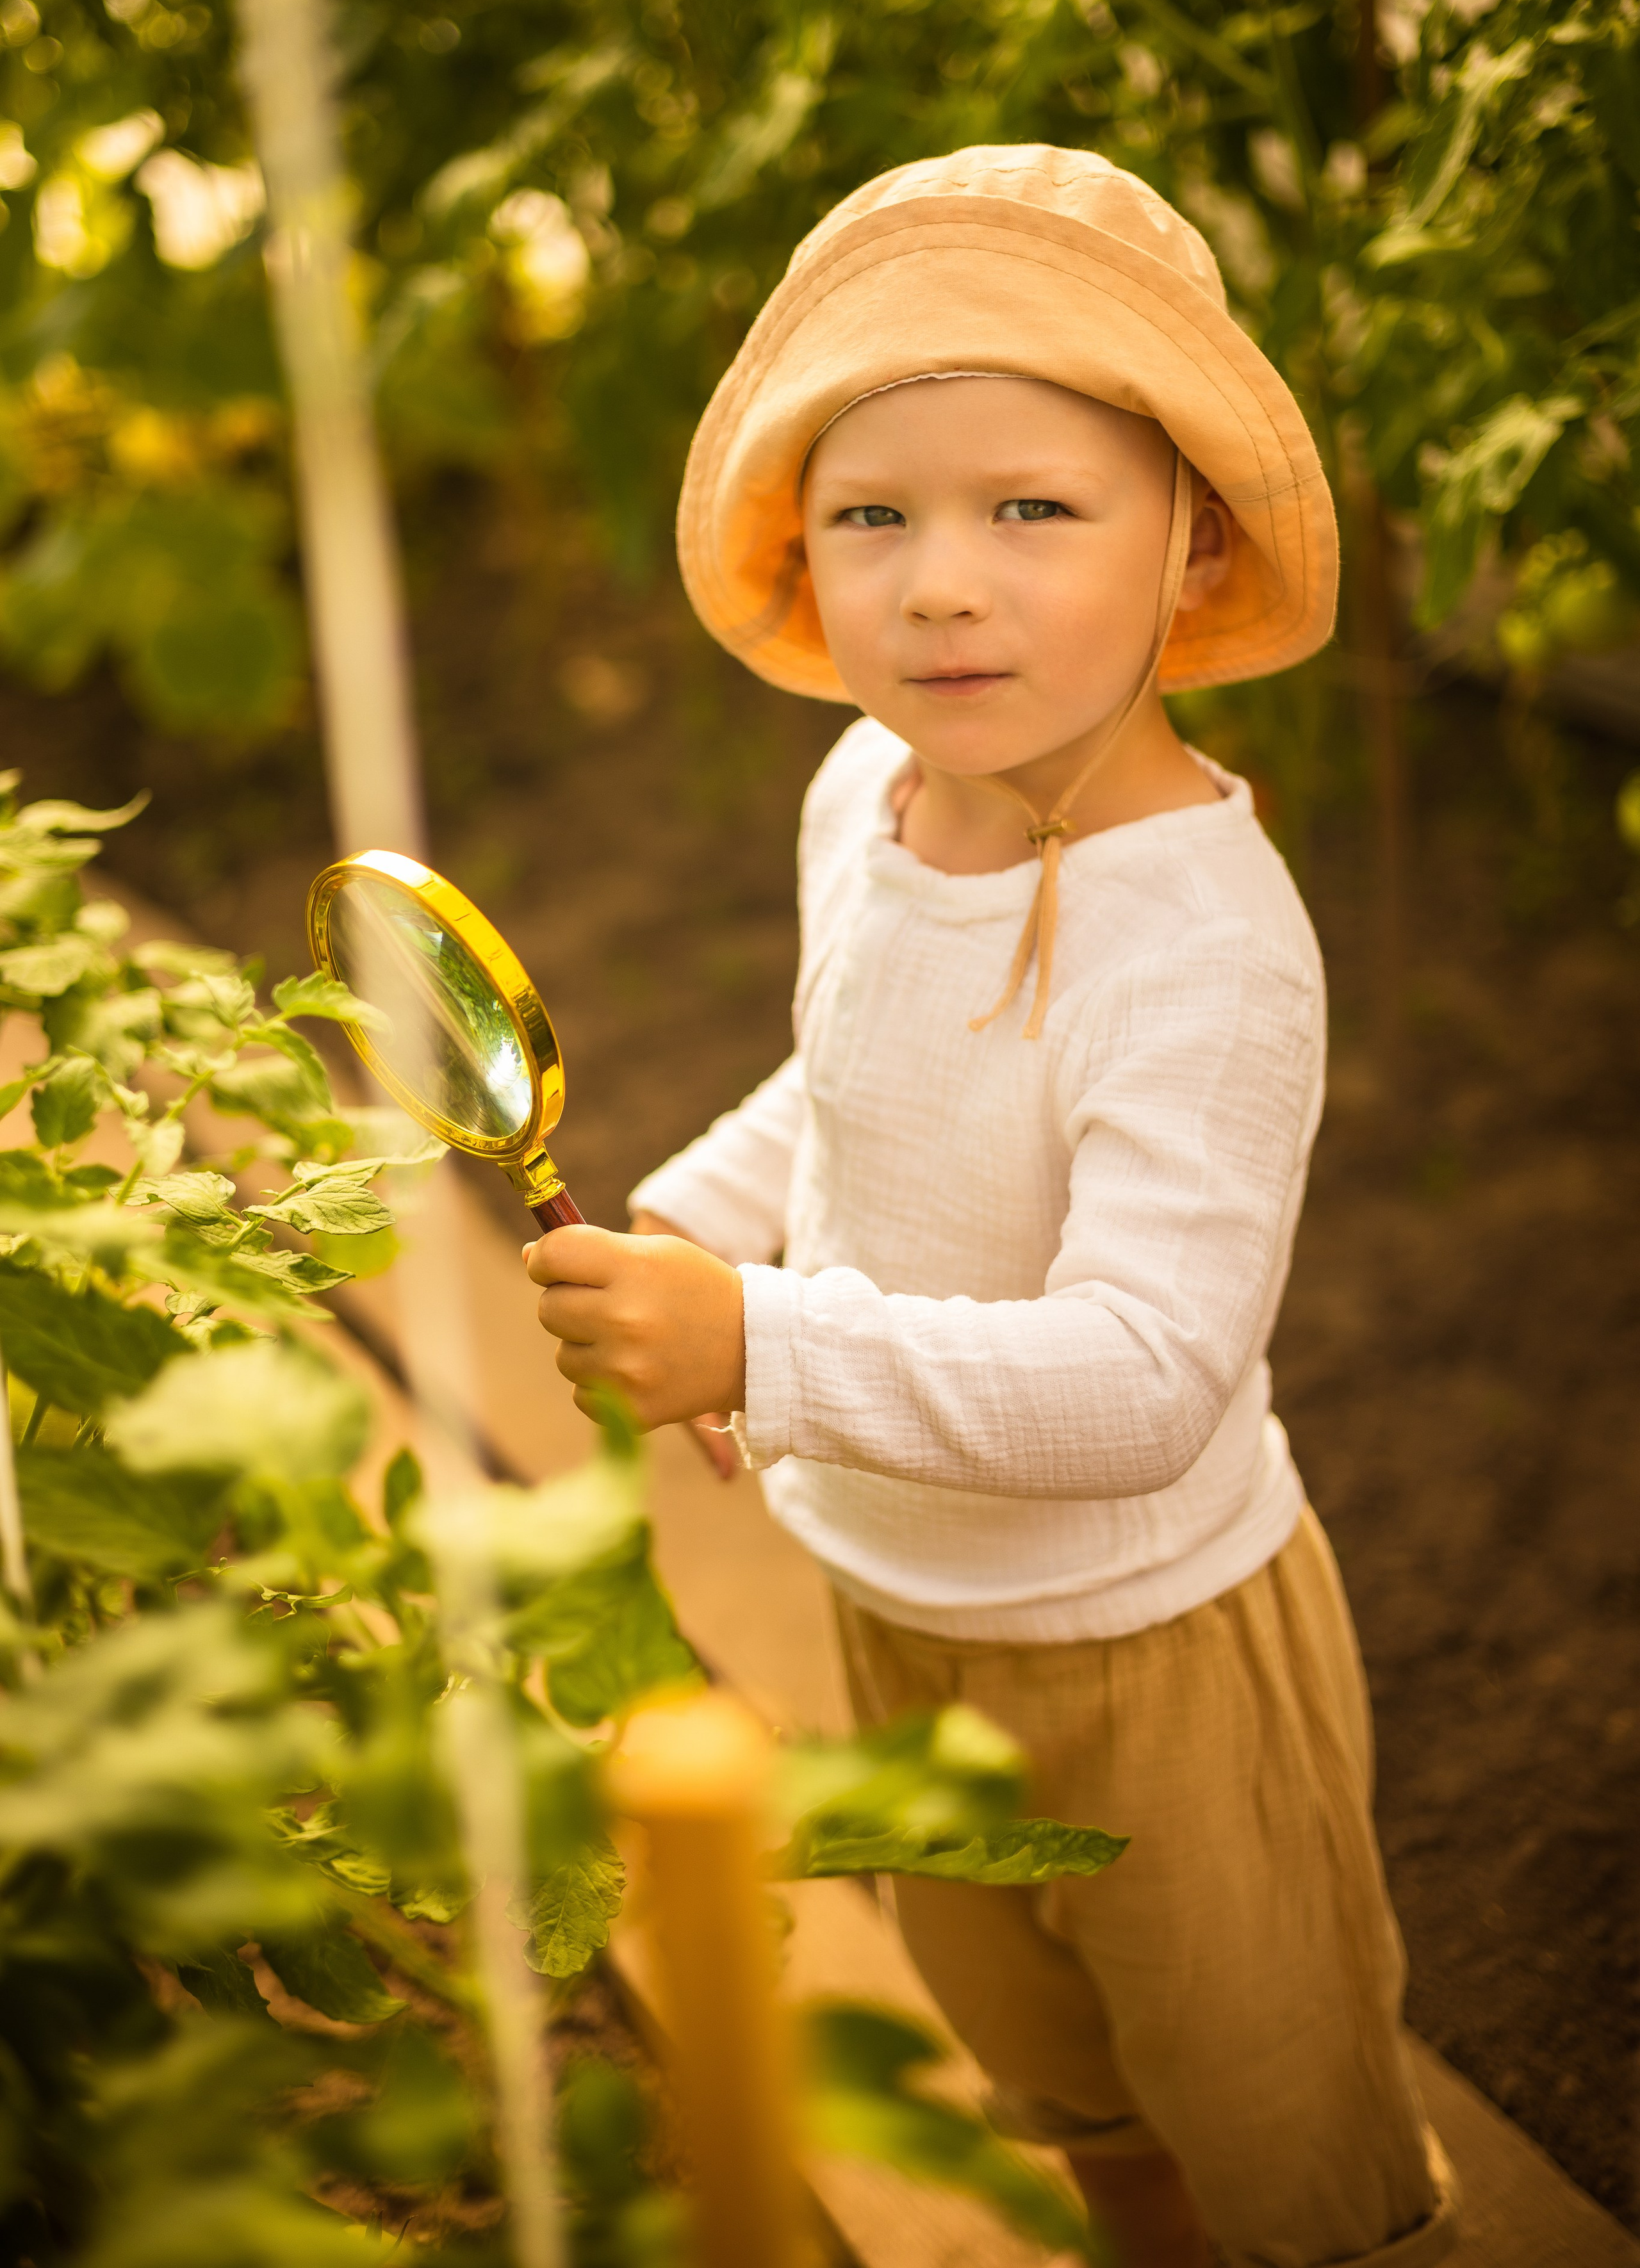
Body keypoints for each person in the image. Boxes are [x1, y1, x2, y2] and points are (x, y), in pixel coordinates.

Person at [524, 145, 1458, 2268]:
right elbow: (862, 1080)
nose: (944, 583)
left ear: (1189, 539)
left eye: (1033, 507)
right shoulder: (867, 797)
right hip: (896, 1600)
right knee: (1064, 2083)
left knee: (1273, 2105)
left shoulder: (1202, 949)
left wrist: (765, 1343)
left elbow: (1142, 1379)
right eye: (876, 515)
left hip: (1154, 1646)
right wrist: (713, 1214)